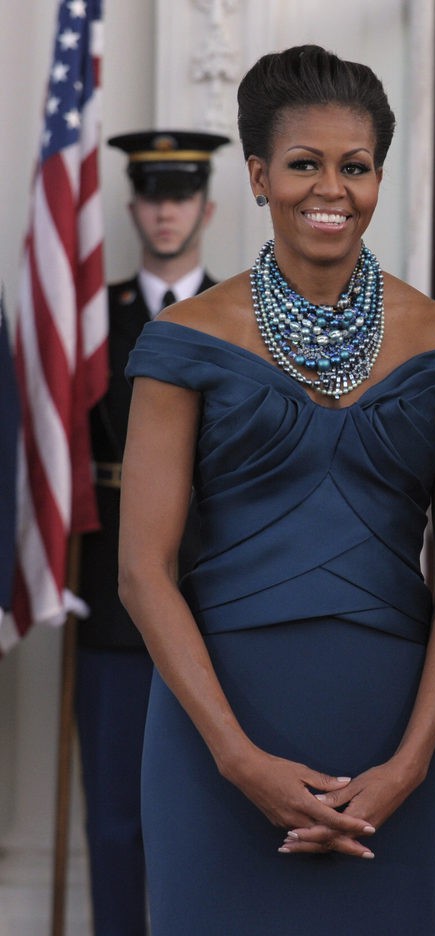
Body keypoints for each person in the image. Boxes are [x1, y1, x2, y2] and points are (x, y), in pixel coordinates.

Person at [117, 45, 435, 935]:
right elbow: (142, 570)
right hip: (215, 728)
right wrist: (237, 758)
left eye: (355, 167)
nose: (331, 188)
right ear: (257, 176)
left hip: (391, 731)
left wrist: (409, 763)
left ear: (377, 178)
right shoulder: (183, 340)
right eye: (303, 164)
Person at [76, 128, 228, 936]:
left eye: (181, 196)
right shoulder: (90, 324)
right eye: (153, 195)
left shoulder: (239, 317)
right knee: (114, 820)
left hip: (220, 587)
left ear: (207, 206)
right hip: (112, 591)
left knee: (214, 818)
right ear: (133, 206)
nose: (167, 211)